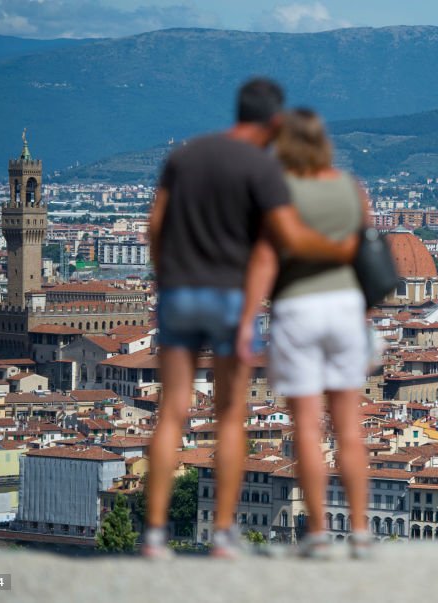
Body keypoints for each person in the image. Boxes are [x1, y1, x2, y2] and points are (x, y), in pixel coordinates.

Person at [144, 79, 357, 560]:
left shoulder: (187, 155)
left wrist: (167, 274)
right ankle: (222, 533)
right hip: (227, 297)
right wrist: (342, 249)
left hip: (178, 292)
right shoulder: (262, 168)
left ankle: (154, 535)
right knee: (230, 416)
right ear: (275, 123)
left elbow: (155, 226)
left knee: (172, 410)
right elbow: (287, 238)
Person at [237, 108, 372, 560]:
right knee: (349, 431)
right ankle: (359, 532)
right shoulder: (351, 190)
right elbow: (366, 255)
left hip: (298, 311)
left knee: (309, 431)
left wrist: (246, 321)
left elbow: (262, 261)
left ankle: (317, 533)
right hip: (345, 309)